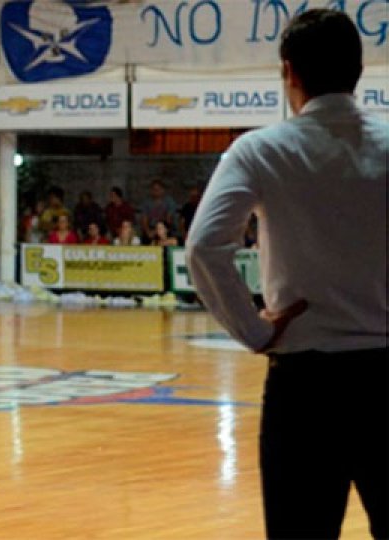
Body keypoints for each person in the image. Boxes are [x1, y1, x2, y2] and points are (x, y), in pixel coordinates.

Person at [186, 10, 387, 539]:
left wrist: (254, 330)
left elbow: (206, 246)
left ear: (289, 72)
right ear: (359, 70)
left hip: (306, 385)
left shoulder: (261, 149)